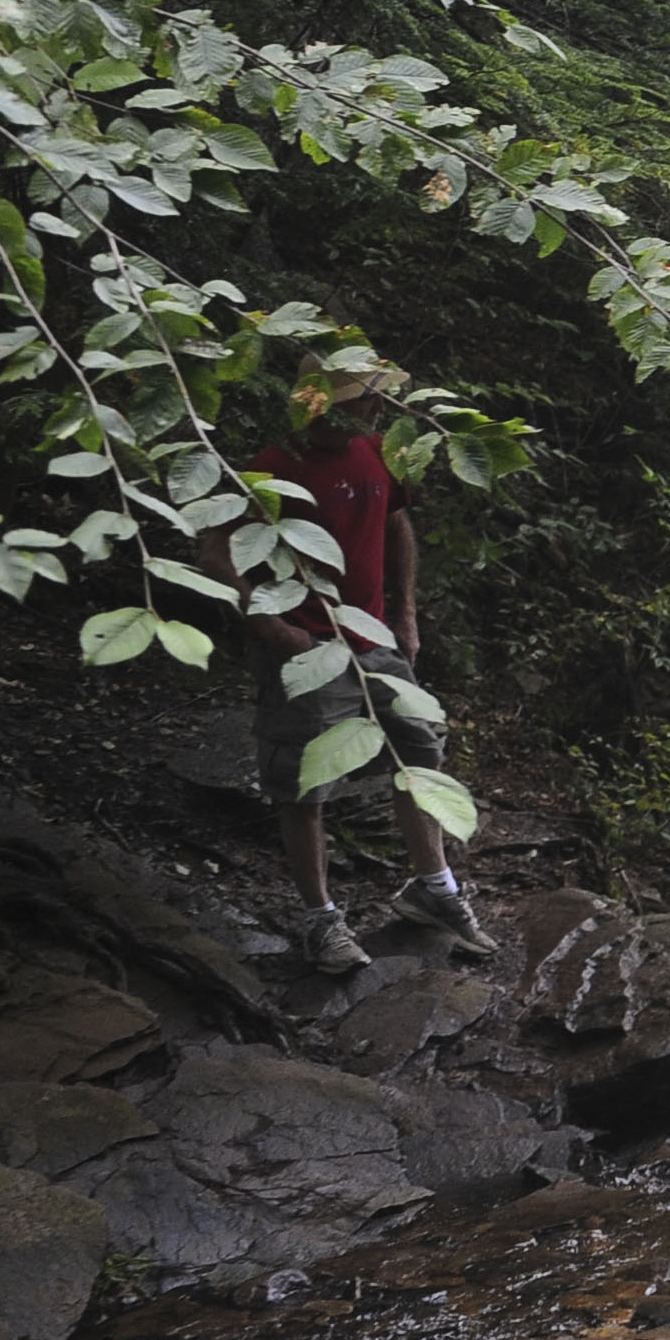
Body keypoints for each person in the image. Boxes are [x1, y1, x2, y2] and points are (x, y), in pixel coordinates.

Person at [240, 366, 492, 973]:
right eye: (365, 400)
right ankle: (320, 920)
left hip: (376, 638)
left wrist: (405, 615)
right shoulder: (273, 466)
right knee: (304, 784)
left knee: (419, 756)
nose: (378, 409)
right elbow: (219, 554)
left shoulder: (380, 453)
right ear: (321, 405)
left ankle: (435, 890)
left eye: (378, 399)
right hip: (306, 644)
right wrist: (274, 629)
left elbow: (397, 524)